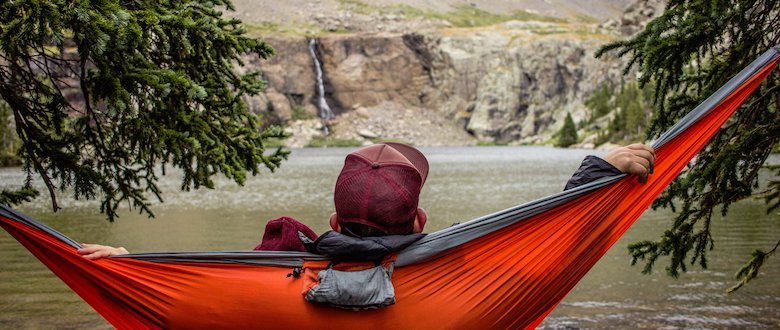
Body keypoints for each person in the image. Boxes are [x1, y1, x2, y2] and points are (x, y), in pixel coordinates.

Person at [77, 142, 655, 260]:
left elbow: (208, 283)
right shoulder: (452, 261)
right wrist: (597, 170)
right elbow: (549, 238)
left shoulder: (287, 266)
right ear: (419, 217)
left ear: (332, 220)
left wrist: (128, 262)